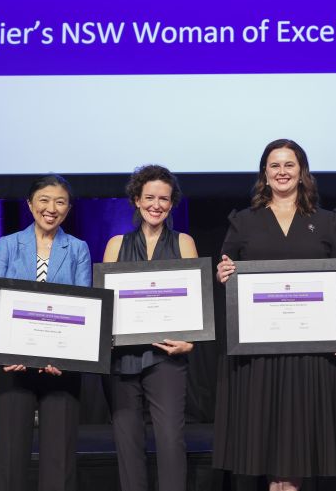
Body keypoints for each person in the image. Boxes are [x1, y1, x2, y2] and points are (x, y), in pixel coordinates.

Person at [214, 139, 336, 491]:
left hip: (310, 351)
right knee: (267, 451)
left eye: (289, 165)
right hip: (259, 352)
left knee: (297, 452)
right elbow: (225, 273)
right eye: (275, 165)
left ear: (302, 173)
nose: (282, 172)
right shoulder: (243, 221)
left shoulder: (327, 221)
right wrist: (222, 276)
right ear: (264, 174)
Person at [0, 174, 92, 491]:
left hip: (61, 367)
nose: (51, 208)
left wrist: (68, 355)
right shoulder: (7, 244)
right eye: (44, 200)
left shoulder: (77, 249)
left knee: (59, 460)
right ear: (30, 204)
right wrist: (3, 352)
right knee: (9, 457)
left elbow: (83, 304)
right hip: (12, 364)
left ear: (68, 208)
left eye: (60, 201)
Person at [102, 165, 197, 491]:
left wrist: (190, 343)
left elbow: (195, 304)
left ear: (172, 204)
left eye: (164, 199)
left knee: (171, 441)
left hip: (167, 357)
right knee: (128, 446)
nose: (157, 204)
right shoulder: (116, 244)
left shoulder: (184, 243)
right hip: (122, 359)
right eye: (150, 197)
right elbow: (106, 305)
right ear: (137, 200)